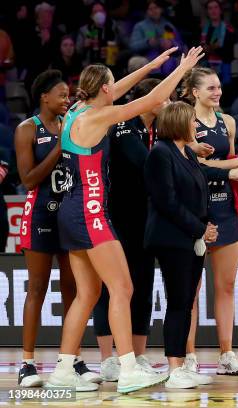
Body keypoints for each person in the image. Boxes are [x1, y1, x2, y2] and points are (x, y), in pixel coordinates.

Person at [45, 46, 204, 393]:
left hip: (70, 212)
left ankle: (62, 369)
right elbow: (149, 102)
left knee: (87, 294)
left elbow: (117, 91)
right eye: (112, 85)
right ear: (104, 90)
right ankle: (130, 368)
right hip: (90, 212)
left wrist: (153, 64)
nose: (115, 89)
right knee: (123, 287)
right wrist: (182, 69)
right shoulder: (97, 118)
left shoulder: (76, 110)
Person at [143, 101, 238, 389]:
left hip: (189, 237)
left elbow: (205, 173)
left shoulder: (185, 153)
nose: (196, 126)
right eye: (192, 121)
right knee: (179, 302)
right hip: (171, 239)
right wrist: (201, 228)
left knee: (183, 302)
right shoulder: (160, 154)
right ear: (179, 123)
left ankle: (180, 365)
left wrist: (232, 173)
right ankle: (174, 367)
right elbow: (166, 202)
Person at [15, 70, 99, 387]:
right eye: (62, 95)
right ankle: (27, 363)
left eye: (69, 95)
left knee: (72, 290)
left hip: (69, 214)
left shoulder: (74, 125)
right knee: (36, 288)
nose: (67, 100)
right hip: (39, 214)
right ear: (44, 97)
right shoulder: (27, 130)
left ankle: (72, 359)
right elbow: (28, 179)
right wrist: (60, 144)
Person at [181, 67, 238, 377]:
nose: (217, 92)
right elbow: (195, 164)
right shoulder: (185, 120)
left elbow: (224, 160)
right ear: (195, 92)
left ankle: (226, 354)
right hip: (195, 210)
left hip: (225, 207)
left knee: (226, 286)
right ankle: (188, 355)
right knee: (191, 289)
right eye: (210, 88)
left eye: (218, 87)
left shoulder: (228, 122)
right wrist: (236, 167)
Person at [93, 78, 166, 382]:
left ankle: (139, 355)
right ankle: (108, 359)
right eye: (164, 97)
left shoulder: (156, 130)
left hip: (144, 218)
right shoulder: (125, 127)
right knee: (112, 288)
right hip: (116, 216)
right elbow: (148, 164)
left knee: (144, 285)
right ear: (150, 99)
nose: (169, 102)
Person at [130, 0, 183, 76]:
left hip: (168, 60)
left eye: (156, 8)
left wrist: (171, 44)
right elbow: (133, 46)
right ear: (146, 11)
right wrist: (147, 42)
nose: (154, 11)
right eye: (150, 9)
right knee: (138, 62)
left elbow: (181, 45)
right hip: (147, 59)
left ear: (161, 9)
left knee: (178, 61)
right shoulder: (140, 26)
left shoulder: (168, 25)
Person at [200, 0, 235, 84]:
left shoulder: (228, 29)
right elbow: (202, 49)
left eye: (216, 7)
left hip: (224, 63)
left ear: (220, 10)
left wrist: (211, 49)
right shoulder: (204, 29)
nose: (213, 11)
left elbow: (229, 51)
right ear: (207, 12)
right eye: (210, 8)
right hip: (207, 63)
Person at [75, 1, 120, 65]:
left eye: (101, 11)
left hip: (110, 63)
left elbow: (121, 47)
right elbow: (77, 52)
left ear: (105, 13)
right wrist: (84, 45)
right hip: (90, 64)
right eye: (95, 12)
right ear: (91, 16)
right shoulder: (84, 30)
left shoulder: (113, 26)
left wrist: (111, 51)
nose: (99, 14)